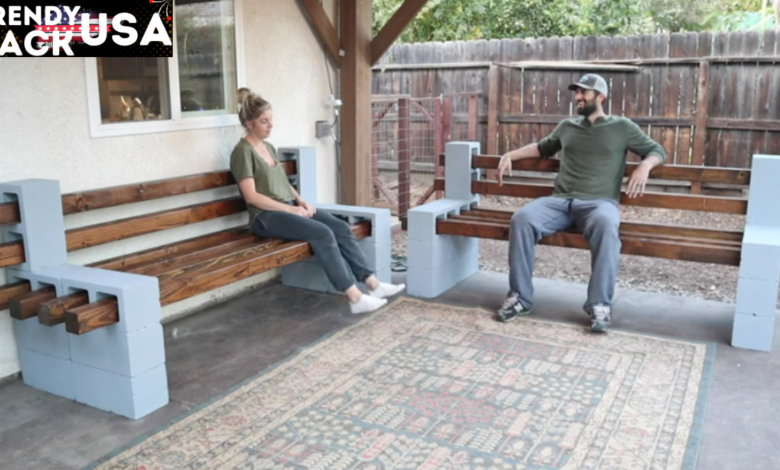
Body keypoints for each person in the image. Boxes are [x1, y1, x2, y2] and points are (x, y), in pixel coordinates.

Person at [495, 74, 666, 332]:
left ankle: (599, 304)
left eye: (583, 93)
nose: (577, 97)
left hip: (599, 204)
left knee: (608, 226)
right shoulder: (567, 126)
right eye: (576, 92)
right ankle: (520, 297)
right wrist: (510, 154)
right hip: (560, 202)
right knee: (522, 219)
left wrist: (645, 165)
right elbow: (543, 148)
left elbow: (657, 151)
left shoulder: (622, 127)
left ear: (600, 97)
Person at [230, 89, 405, 314]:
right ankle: (354, 296)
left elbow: (282, 182)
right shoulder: (242, 152)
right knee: (322, 233)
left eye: (271, 120)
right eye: (264, 121)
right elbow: (251, 196)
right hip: (264, 217)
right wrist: (290, 211)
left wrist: (300, 202)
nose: (270, 125)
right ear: (249, 123)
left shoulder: (268, 147)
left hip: (286, 208)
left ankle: (373, 284)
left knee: (341, 227)